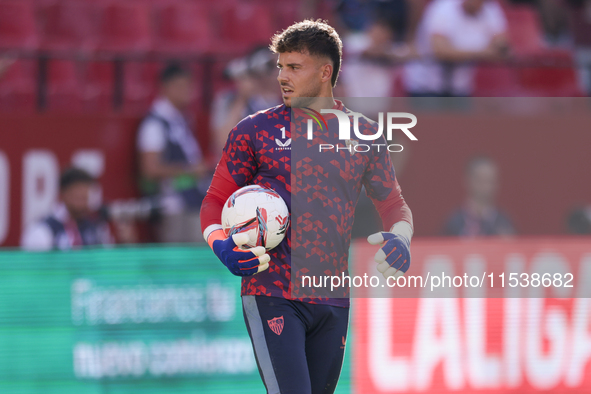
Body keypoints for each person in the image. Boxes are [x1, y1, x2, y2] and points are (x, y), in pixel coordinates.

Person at [200, 20, 413, 394]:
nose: (282, 76)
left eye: (294, 67)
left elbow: (394, 203)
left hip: (333, 296)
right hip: (272, 291)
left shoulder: (364, 134)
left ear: (325, 71)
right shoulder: (253, 131)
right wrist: (221, 245)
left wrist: (402, 237)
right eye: (280, 66)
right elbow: (214, 202)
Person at [136, 63, 208, 243]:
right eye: (180, 86)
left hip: (192, 202)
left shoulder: (181, 118)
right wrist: (191, 170)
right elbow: (150, 169)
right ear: (165, 87)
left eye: (189, 85)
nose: (187, 91)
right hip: (172, 206)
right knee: (180, 262)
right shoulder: (154, 124)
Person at [403, 0, 510, 96]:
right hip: (426, 85)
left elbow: (502, 46)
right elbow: (440, 50)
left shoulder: (490, 8)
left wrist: (498, 48)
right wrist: (483, 53)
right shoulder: (443, 7)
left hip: (460, 86)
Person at [210, 47, 281, 157]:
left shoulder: (278, 100)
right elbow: (223, 144)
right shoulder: (227, 99)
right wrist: (242, 98)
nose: (276, 72)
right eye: (271, 66)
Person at [21, 167, 113, 251]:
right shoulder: (44, 230)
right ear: (64, 193)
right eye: (77, 194)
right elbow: (35, 266)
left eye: (85, 195)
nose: (82, 200)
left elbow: (107, 260)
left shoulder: (96, 227)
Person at [443, 156, 515, 237]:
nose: (487, 187)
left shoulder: (504, 223)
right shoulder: (454, 222)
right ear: (467, 180)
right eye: (482, 180)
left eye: (491, 181)